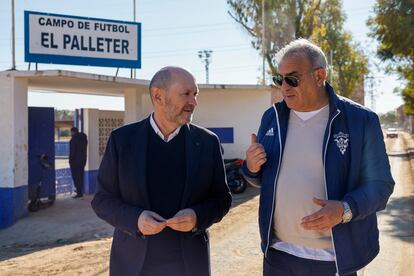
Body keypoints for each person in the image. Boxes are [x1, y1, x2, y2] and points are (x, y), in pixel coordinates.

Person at [243, 39, 394, 276]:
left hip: (334, 259)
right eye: (279, 79)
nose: (284, 87)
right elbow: (260, 179)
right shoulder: (271, 118)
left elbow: (381, 186)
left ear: (319, 75)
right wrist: (251, 168)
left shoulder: (360, 121)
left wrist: (345, 209)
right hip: (278, 256)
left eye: (292, 79)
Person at [91, 66, 232, 276]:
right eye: (186, 94)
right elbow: (102, 200)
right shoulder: (122, 141)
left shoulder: (207, 142)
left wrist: (197, 216)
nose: (193, 102)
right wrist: (135, 219)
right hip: (133, 266)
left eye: (195, 94)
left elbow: (222, 199)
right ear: (158, 96)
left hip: (189, 266)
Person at [69, 127, 88, 198]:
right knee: (80, 176)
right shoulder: (84, 139)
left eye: (71, 132)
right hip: (83, 161)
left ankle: (79, 192)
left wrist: (70, 161)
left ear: (73, 132)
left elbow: (72, 152)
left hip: (75, 162)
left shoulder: (73, 140)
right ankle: (80, 191)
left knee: (75, 177)